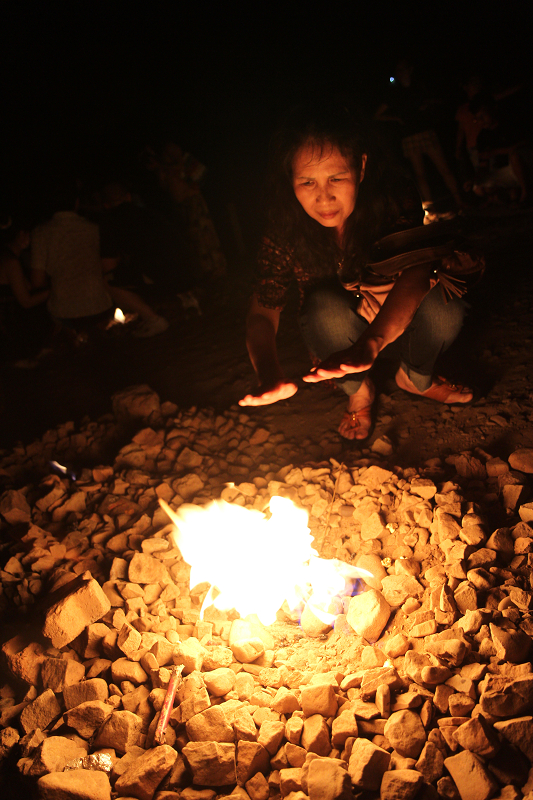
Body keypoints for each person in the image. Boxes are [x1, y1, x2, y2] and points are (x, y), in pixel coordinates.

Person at [239, 103, 473, 441]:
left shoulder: (393, 197)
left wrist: (373, 341)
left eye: (336, 178)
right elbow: (263, 307)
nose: (324, 198)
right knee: (322, 308)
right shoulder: (285, 226)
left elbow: (418, 270)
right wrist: (269, 372)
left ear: (361, 167)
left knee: (444, 306)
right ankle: (359, 392)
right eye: (307, 182)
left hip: (399, 322)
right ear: (290, 178)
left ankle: (415, 376)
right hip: (339, 342)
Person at [375, 59, 464, 223]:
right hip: (410, 136)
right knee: (420, 174)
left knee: (443, 168)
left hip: (426, 132)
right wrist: (396, 118)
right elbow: (378, 114)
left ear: (410, 69)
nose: (400, 72)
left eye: (403, 69)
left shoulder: (419, 87)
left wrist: (428, 106)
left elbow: (434, 101)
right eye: (398, 70)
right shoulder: (395, 93)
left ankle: (460, 203)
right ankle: (430, 212)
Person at [0, 216, 51, 365]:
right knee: (44, 307)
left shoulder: (12, 256)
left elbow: (29, 287)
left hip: (10, 313)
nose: (30, 238)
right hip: (6, 321)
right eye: (26, 233)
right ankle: (21, 355)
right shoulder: (10, 261)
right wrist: (55, 290)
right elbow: (26, 301)